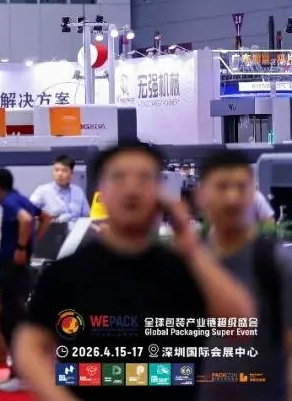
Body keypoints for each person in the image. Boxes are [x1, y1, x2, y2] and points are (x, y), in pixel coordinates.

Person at [14, 141, 256, 401]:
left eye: (144, 178)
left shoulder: (184, 269)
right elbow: (29, 346)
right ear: (100, 192)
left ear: (160, 192)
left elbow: (241, 325)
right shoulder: (66, 273)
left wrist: (190, 244)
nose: (131, 188)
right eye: (118, 177)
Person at [194, 150, 292, 401]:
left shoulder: (276, 263)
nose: (232, 198)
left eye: (242, 187)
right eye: (222, 187)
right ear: (201, 195)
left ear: (253, 194)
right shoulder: (187, 261)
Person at [0, 166, 49, 393]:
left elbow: (25, 219)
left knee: (11, 321)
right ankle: (18, 372)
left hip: (13, 269)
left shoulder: (10, 202)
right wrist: (33, 242)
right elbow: (46, 218)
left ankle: (20, 374)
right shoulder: (22, 198)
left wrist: (22, 248)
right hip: (20, 269)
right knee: (13, 318)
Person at [29, 155, 90, 225]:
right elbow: (28, 210)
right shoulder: (42, 191)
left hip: (76, 229)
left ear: (71, 173)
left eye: (64, 171)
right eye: (56, 170)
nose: (59, 174)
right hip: (54, 229)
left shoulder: (78, 191)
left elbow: (86, 216)